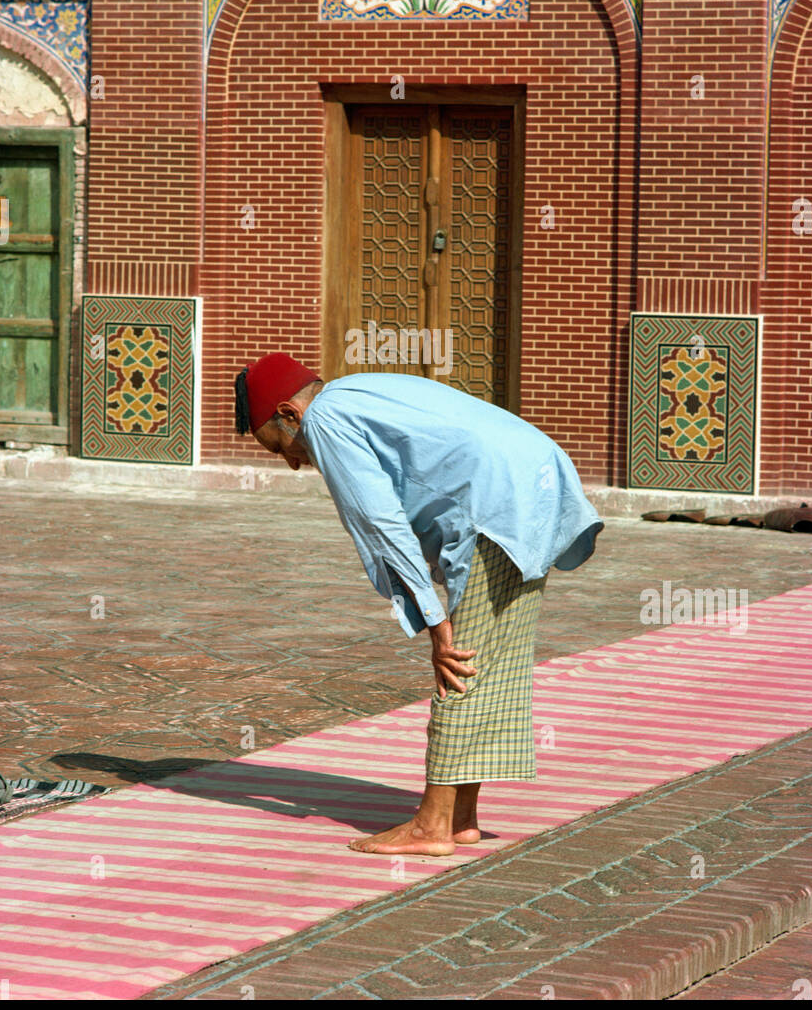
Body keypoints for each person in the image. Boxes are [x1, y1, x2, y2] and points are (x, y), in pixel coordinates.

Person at [235, 352, 604, 857]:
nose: (295, 462)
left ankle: (431, 828)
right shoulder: (354, 390)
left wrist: (434, 622)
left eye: (281, 448)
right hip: (530, 481)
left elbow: (381, 523)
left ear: (290, 413)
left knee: (459, 666)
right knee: (491, 662)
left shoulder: (326, 422)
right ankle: (461, 817)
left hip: (497, 504)